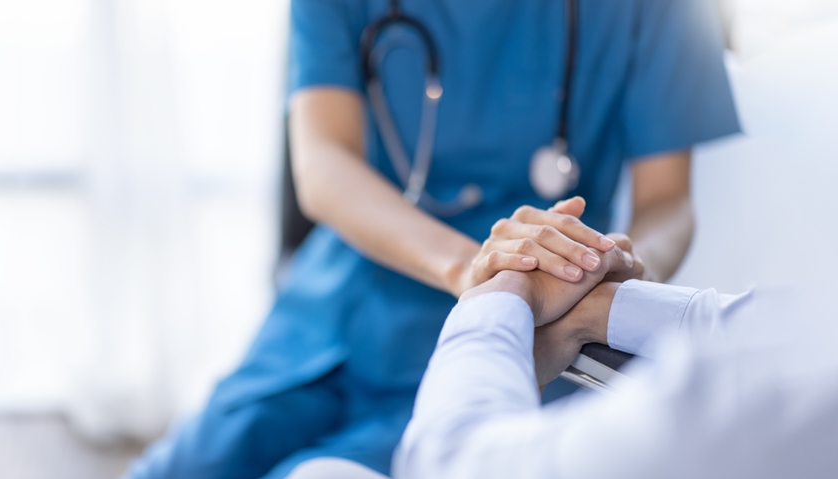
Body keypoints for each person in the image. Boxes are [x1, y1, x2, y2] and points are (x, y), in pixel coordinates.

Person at [124, 0, 740, 477]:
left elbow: (666, 203)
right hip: (346, 301)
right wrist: (473, 269)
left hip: (530, 329)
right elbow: (323, 165)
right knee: (179, 468)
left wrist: (616, 273)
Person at [385, 243, 838, 479]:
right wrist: (601, 306)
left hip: (468, 379)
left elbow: (451, 465)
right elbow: (781, 323)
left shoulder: (753, 411)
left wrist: (499, 295)